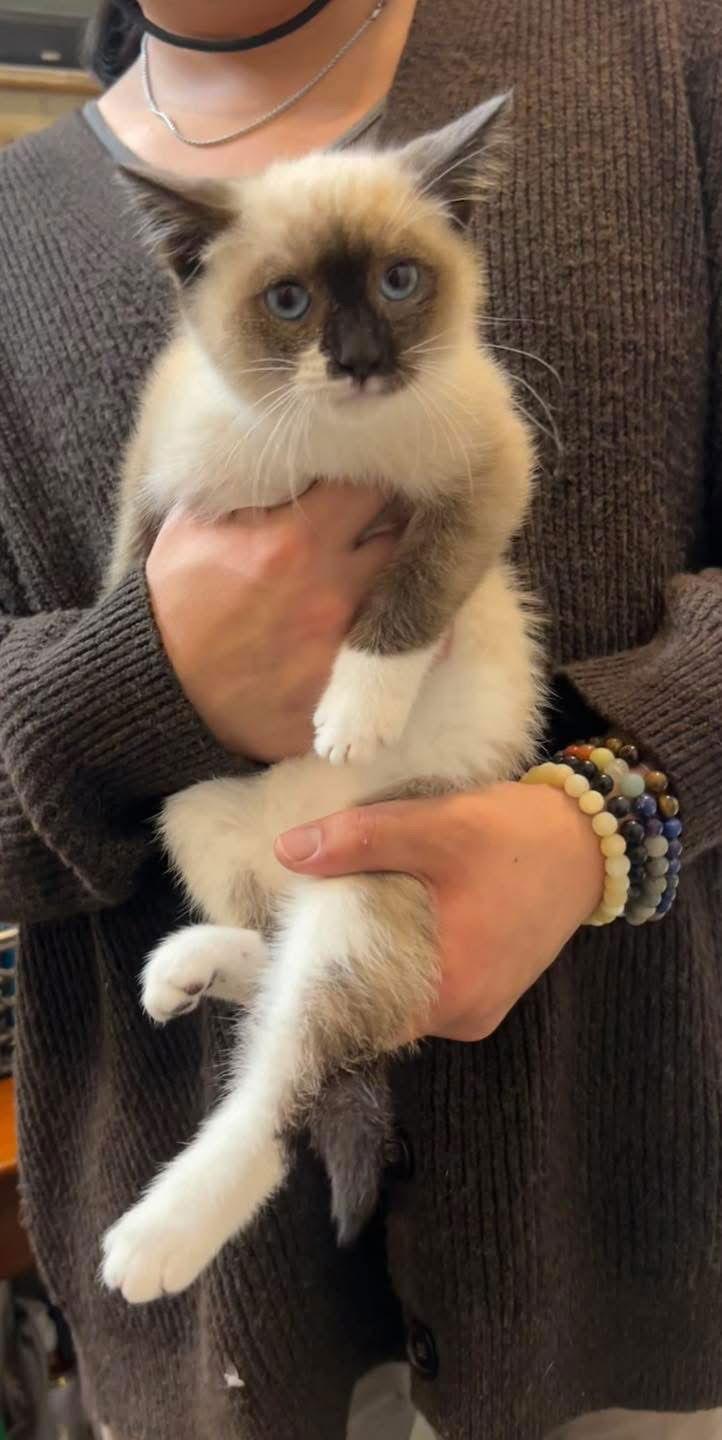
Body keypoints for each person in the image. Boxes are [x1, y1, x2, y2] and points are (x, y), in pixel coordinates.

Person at [0, 1, 720, 1437]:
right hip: (212, 1355)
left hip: (633, 1233)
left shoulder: (667, 54)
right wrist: (146, 680)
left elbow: (483, 485)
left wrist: (609, 816)